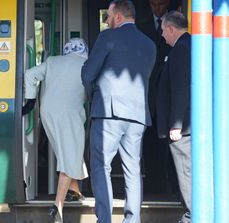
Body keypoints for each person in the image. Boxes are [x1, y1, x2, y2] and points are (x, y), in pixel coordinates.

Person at [81, 1, 156, 222]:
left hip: (109, 113)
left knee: (101, 166)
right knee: (133, 170)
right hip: (137, 116)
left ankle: (104, 219)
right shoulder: (150, 44)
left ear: (119, 17)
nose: (107, 21)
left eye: (109, 16)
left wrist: (93, 97)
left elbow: (88, 74)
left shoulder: (107, 37)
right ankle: (132, 220)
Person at [23, 38, 89, 223]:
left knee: (67, 151)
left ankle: (74, 190)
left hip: (48, 112)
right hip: (71, 113)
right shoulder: (87, 63)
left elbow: (29, 75)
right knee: (69, 154)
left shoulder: (53, 61)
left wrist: (30, 102)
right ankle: (58, 206)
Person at [136, 0, 181, 195]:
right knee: (147, 144)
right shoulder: (141, 25)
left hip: (166, 98)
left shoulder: (175, 27)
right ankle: (152, 184)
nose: (158, 9)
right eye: (154, 4)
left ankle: (168, 187)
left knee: (166, 147)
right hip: (145, 97)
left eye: (161, 4)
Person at [156, 11, 191, 223]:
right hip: (189, 124)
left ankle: (193, 214)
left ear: (171, 28)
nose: (162, 36)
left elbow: (180, 89)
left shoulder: (180, 50)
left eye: (163, 31)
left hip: (184, 128)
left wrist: (176, 124)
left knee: (186, 171)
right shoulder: (190, 45)